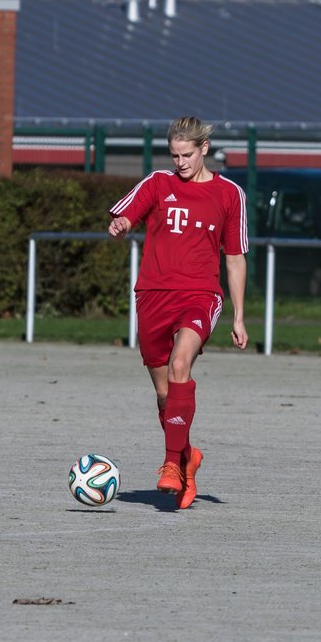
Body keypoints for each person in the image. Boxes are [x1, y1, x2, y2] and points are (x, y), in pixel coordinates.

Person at [108, 116, 248, 509]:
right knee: (165, 395)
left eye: (187, 154)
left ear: (204, 149)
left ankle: (171, 464)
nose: (180, 162)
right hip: (153, 293)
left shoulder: (229, 194)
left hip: (200, 294)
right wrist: (121, 223)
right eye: (174, 155)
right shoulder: (157, 182)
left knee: (180, 364)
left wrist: (238, 315)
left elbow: (235, 257)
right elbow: (127, 214)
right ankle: (187, 457)